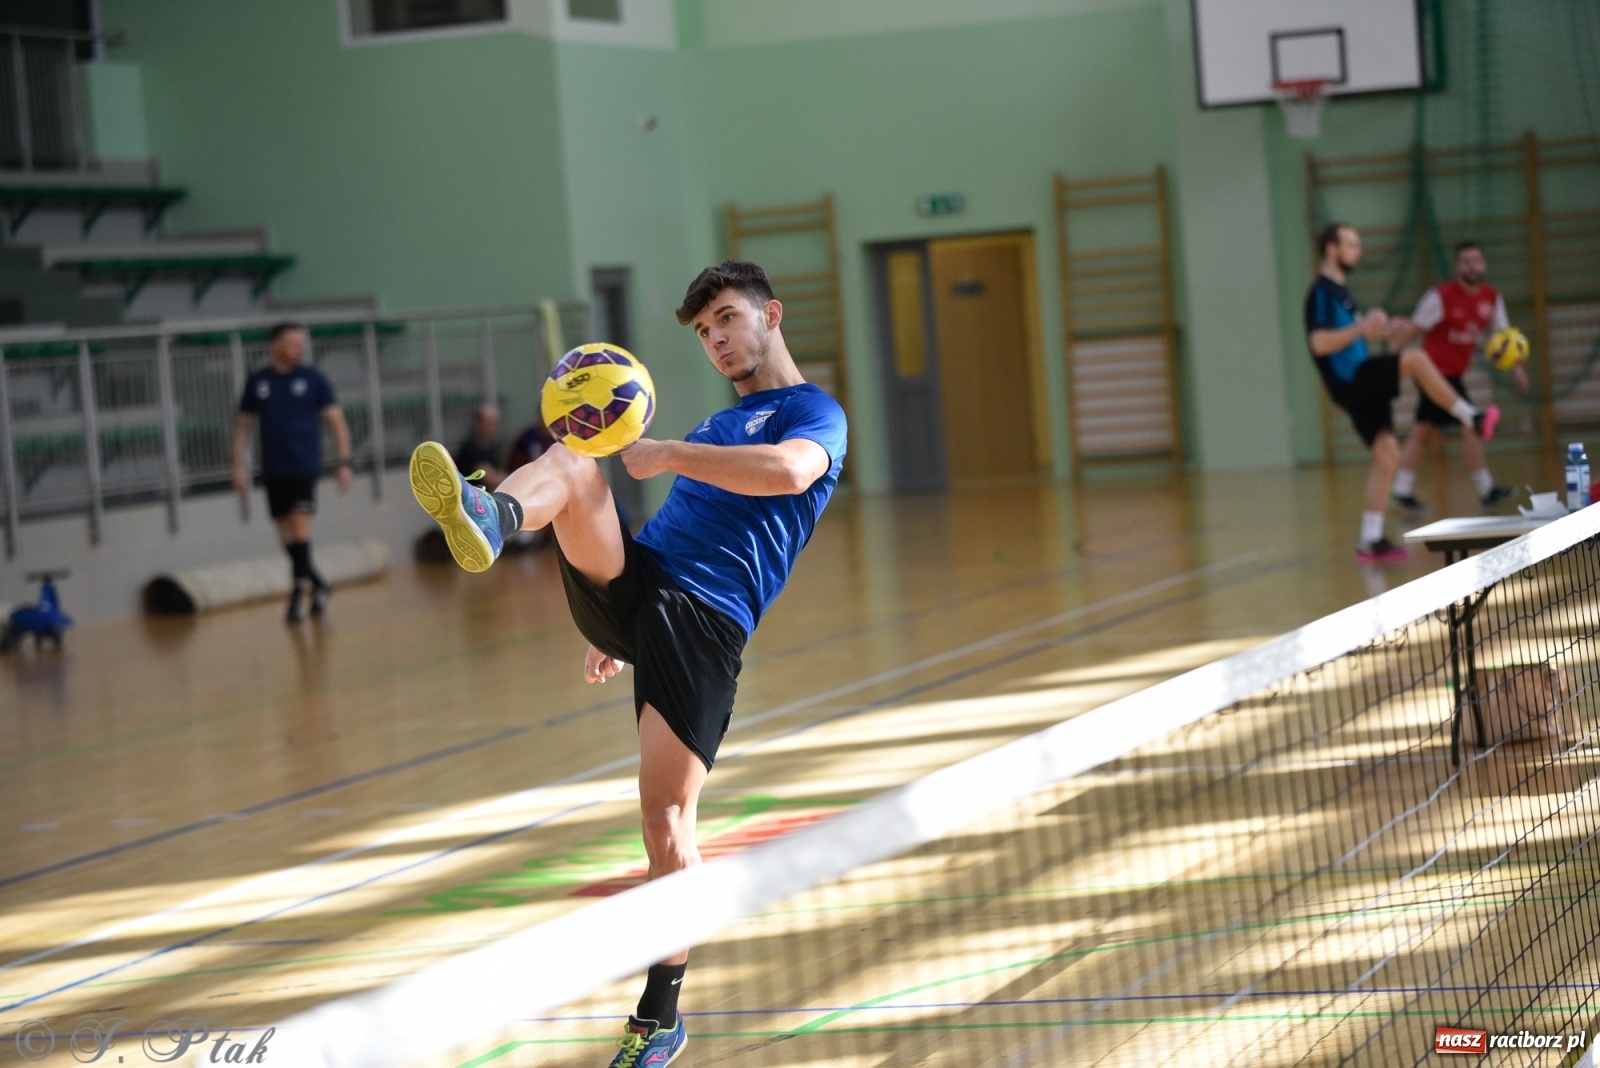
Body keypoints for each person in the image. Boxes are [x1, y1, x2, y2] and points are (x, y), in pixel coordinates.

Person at [408, 260, 847, 1067]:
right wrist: (616, 624)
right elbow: (670, 533)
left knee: (667, 824)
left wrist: (672, 453)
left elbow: (789, 473)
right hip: (645, 589)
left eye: (725, 319)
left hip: (705, 626)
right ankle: (493, 509)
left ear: (771, 315)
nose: (715, 339)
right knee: (575, 460)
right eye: (704, 330)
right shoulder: (716, 430)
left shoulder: (814, 414)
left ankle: (661, 1016)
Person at [1306, 223, 1499, 563]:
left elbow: (1350, 339)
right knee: (1417, 359)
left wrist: (1380, 331)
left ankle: (1370, 540)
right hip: (1351, 380)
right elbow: (1319, 343)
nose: (1359, 250)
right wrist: (1362, 328)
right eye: (1352, 244)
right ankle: (1473, 416)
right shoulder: (1321, 292)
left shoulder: (1342, 291)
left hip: (1359, 378)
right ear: (1332, 249)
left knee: (1388, 454)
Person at [1390, 240, 1528, 513]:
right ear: (1456, 267)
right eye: (1465, 261)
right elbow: (1413, 330)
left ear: (1484, 264)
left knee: (1422, 430)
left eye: (1476, 260)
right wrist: (1388, 363)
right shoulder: (1440, 297)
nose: (1472, 266)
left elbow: (1505, 338)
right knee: (1469, 423)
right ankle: (1485, 488)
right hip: (1432, 371)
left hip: (1454, 372)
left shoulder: (1491, 297)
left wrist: (1517, 368)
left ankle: (1401, 489)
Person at [231, 323, 354, 622]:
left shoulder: (312, 379)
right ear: (275, 347)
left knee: (300, 528)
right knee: (285, 533)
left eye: (301, 344)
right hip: (274, 469)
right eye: (291, 344)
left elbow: (336, 420)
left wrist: (344, 461)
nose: (297, 350)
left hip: (303, 466)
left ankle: (297, 593)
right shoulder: (258, 381)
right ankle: (320, 583)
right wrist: (237, 466)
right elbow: (243, 426)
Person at [454, 404, 507, 490]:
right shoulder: (471, 449)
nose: (492, 428)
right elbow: (491, 480)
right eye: (489, 423)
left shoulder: (492, 447)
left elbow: (500, 472)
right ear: (478, 424)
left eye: (494, 423)